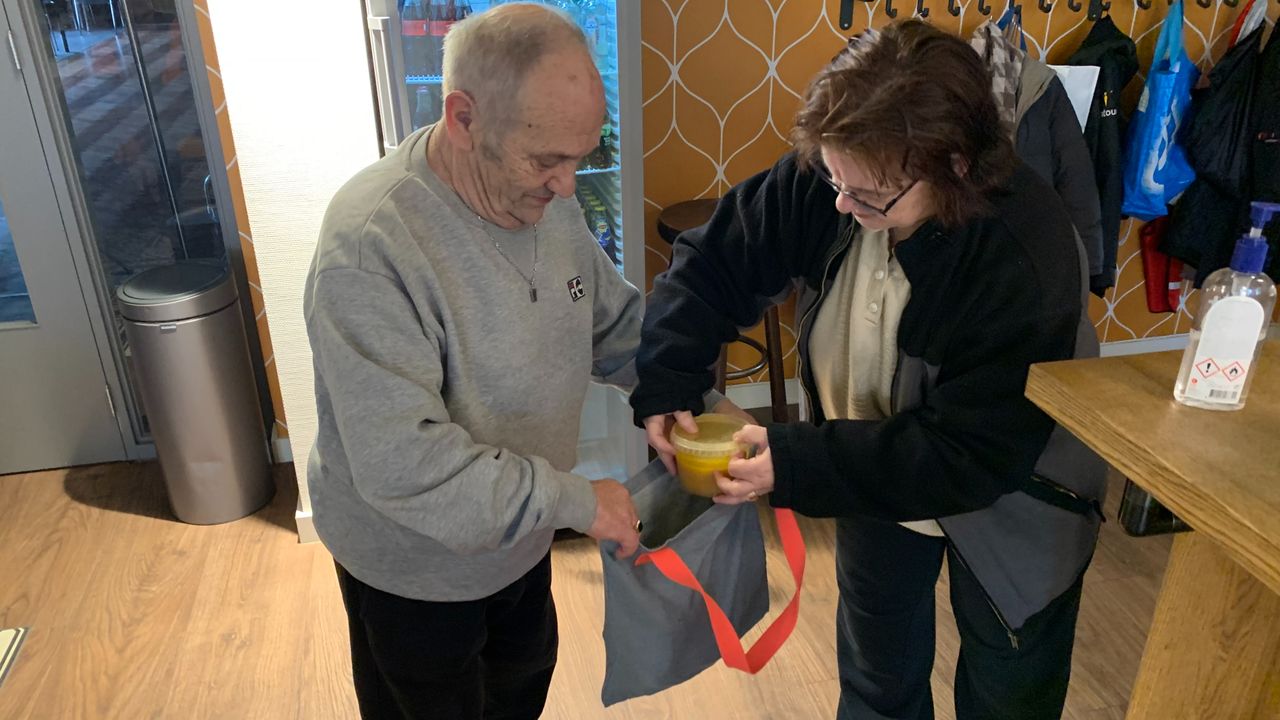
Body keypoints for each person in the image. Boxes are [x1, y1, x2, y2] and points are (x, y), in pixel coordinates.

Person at [631, 21, 1106, 720]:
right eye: (833, 179)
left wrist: (794, 461)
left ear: (955, 167)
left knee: (1010, 689)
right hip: (871, 474)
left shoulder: (1027, 251)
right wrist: (669, 379)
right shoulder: (846, 172)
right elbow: (714, 263)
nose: (841, 206)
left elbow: (969, 454)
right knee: (877, 681)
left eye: (870, 197)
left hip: (1018, 494)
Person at [304, 5, 643, 718]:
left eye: (580, 157)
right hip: (413, 574)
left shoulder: (546, 200)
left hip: (520, 540)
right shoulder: (371, 246)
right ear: (463, 118)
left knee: (522, 689)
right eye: (546, 160)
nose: (567, 186)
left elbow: (610, 323)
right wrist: (579, 502)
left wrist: (689, 394)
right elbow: (406, 465)